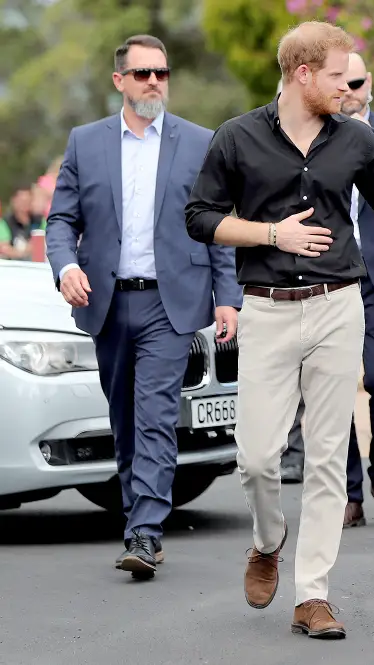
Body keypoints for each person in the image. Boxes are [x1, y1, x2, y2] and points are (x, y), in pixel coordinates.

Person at [184, 21, 374, 640]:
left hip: (337, 306)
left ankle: (313, 597)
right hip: (267, 310)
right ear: (303, 75)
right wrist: (274, 234)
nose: (347, 87)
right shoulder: (237, 137)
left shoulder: (354, 139)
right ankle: (267, 540)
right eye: (336, 76)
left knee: (327, 460)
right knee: (256, 458)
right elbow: (200, 217)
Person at [45, 34, 242, 578]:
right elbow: (61, 221)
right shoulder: (86, 143)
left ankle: (146, 533)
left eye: (161, 72)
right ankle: (138, 517)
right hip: (107, 303)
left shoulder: (199, 142)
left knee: (156, 413)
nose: (154, 81)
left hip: (169, 304)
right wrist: (66, 267)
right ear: (120, 82)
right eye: (142, 74)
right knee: (124, 418)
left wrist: (228, 298)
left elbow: (216, 226)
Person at [280, 51, 374, 526]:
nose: (348, 90)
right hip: (329, 274)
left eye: (357, 81)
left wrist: (368, 143)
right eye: (340, 81)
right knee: (333, 385)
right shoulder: (313, 133)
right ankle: (349, 490)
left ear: (370, 83)